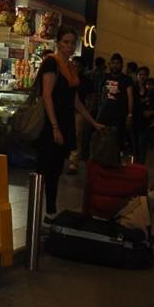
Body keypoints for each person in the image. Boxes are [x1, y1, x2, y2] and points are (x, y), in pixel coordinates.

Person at [36, 27, 101, 219]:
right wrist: (55, 127)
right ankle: (47, 210)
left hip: (65, 122)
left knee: (55, 168)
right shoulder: (51, 64)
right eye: (66, 42)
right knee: (47, 168)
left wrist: (93, 122)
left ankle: (49, 210)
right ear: (58, 43)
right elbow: (47, 95)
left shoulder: (71, 68)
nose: (70, 46)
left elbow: (75, 101)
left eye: (73, 43)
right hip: (51, 123)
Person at [96, 52, 134, 154]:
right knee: (101, 141)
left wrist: (130, 114)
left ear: (121, 65)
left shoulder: (126, 79)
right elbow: (100, 93)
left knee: (116, 142)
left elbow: (130, 96)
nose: (115, 65)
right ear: (109, 64)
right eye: (113, 63)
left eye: (118, 63)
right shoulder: (105, 76)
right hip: (104, 113)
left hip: (119, 115)